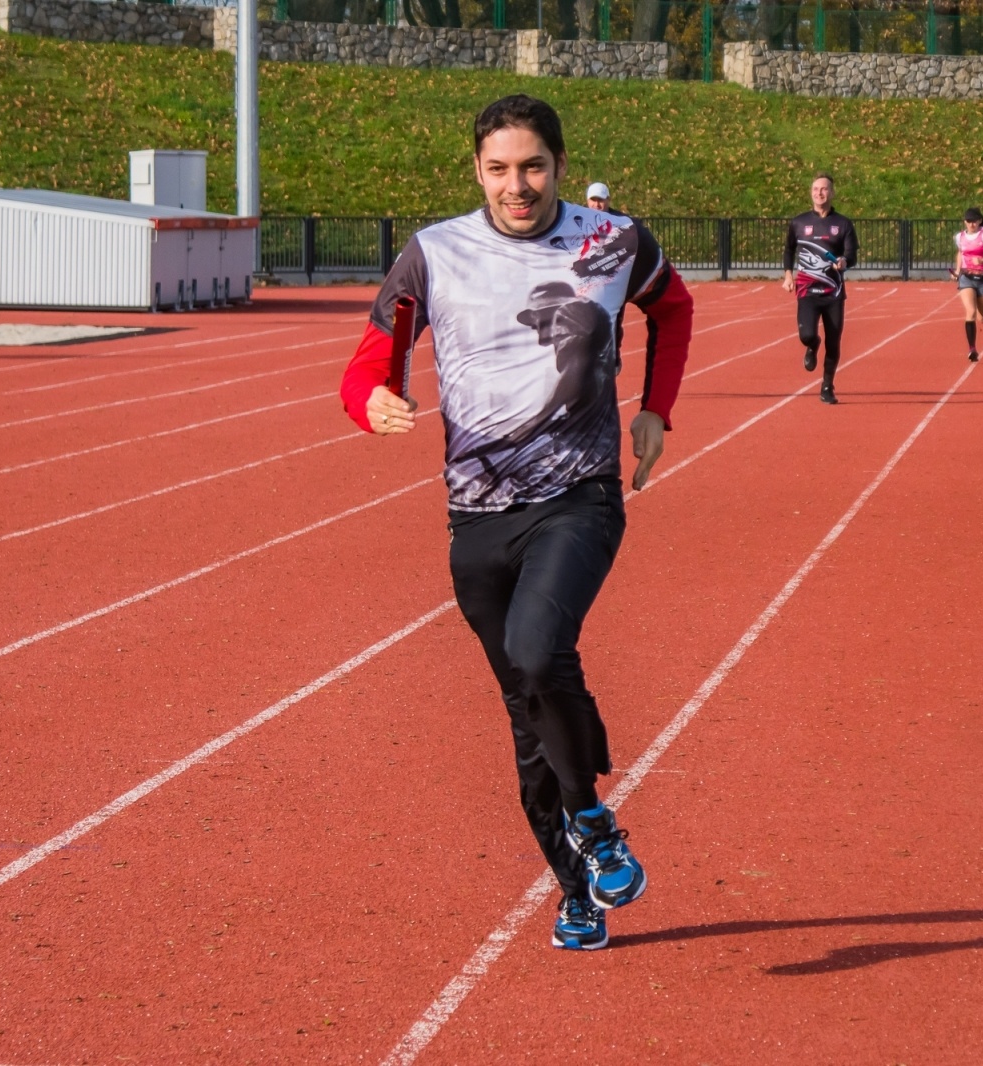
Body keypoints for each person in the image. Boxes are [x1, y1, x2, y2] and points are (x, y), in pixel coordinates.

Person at [339, 94, 694, 952]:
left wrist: (657, 408)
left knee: (540, 651)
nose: (517, 185)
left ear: (561, 167)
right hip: (477, 518)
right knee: (525, 712)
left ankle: (594, 821)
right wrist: (370, 400)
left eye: (532, 166)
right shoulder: (433, 254)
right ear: (476, 171)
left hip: (579, 498)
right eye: (499, 168)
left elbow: (673, 308)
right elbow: (369, 359)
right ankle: (576, 888)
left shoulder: (613, 242)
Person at [782, 173, 858, 405]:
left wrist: (844, 262)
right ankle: (812, 345)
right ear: (811, 192)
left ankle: (827, 386)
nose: (819, 193)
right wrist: (788, 275)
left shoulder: (843, 224)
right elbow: (788, 250)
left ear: (832, 193)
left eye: (824, 189)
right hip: (806, 290)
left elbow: (851, 255)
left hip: (833, 293)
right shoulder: (799, 222)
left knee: (833, 342)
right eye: (816, 189)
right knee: (806, 334)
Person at [951, 207, 983, 361]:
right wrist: (958, 271)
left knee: (982, 317)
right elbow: (961, 253)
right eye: (968, 221)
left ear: (980, 220)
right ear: (964, 222)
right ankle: (972, 349)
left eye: (974, 221)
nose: (971, 224)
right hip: (967, 278)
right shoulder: (959, 237)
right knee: (970, 313)